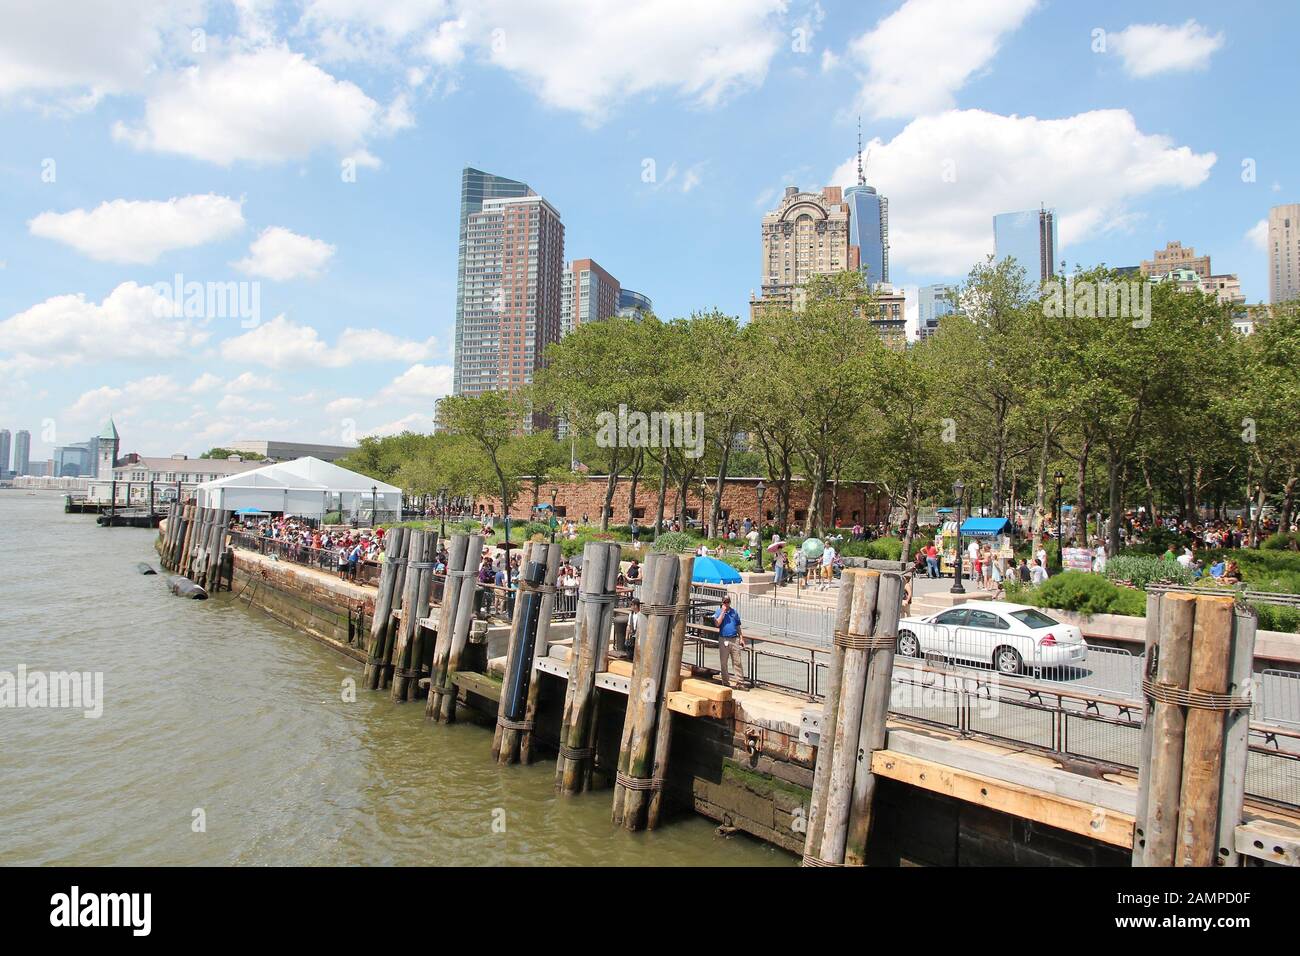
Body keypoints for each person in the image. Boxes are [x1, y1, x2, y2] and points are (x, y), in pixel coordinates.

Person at [712, 595, 746, 689]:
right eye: (725, 602)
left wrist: (741, 638)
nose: (726, 604)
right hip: (724, 639)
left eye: (728, 602)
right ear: (722, 603)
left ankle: (740, 683)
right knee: (724, 662)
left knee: (737, 662)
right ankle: (726, 682)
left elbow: (738, 626)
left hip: (734, 639)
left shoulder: (734, 612)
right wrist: (723, 612)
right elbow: (717, 623)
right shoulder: (718, 612)